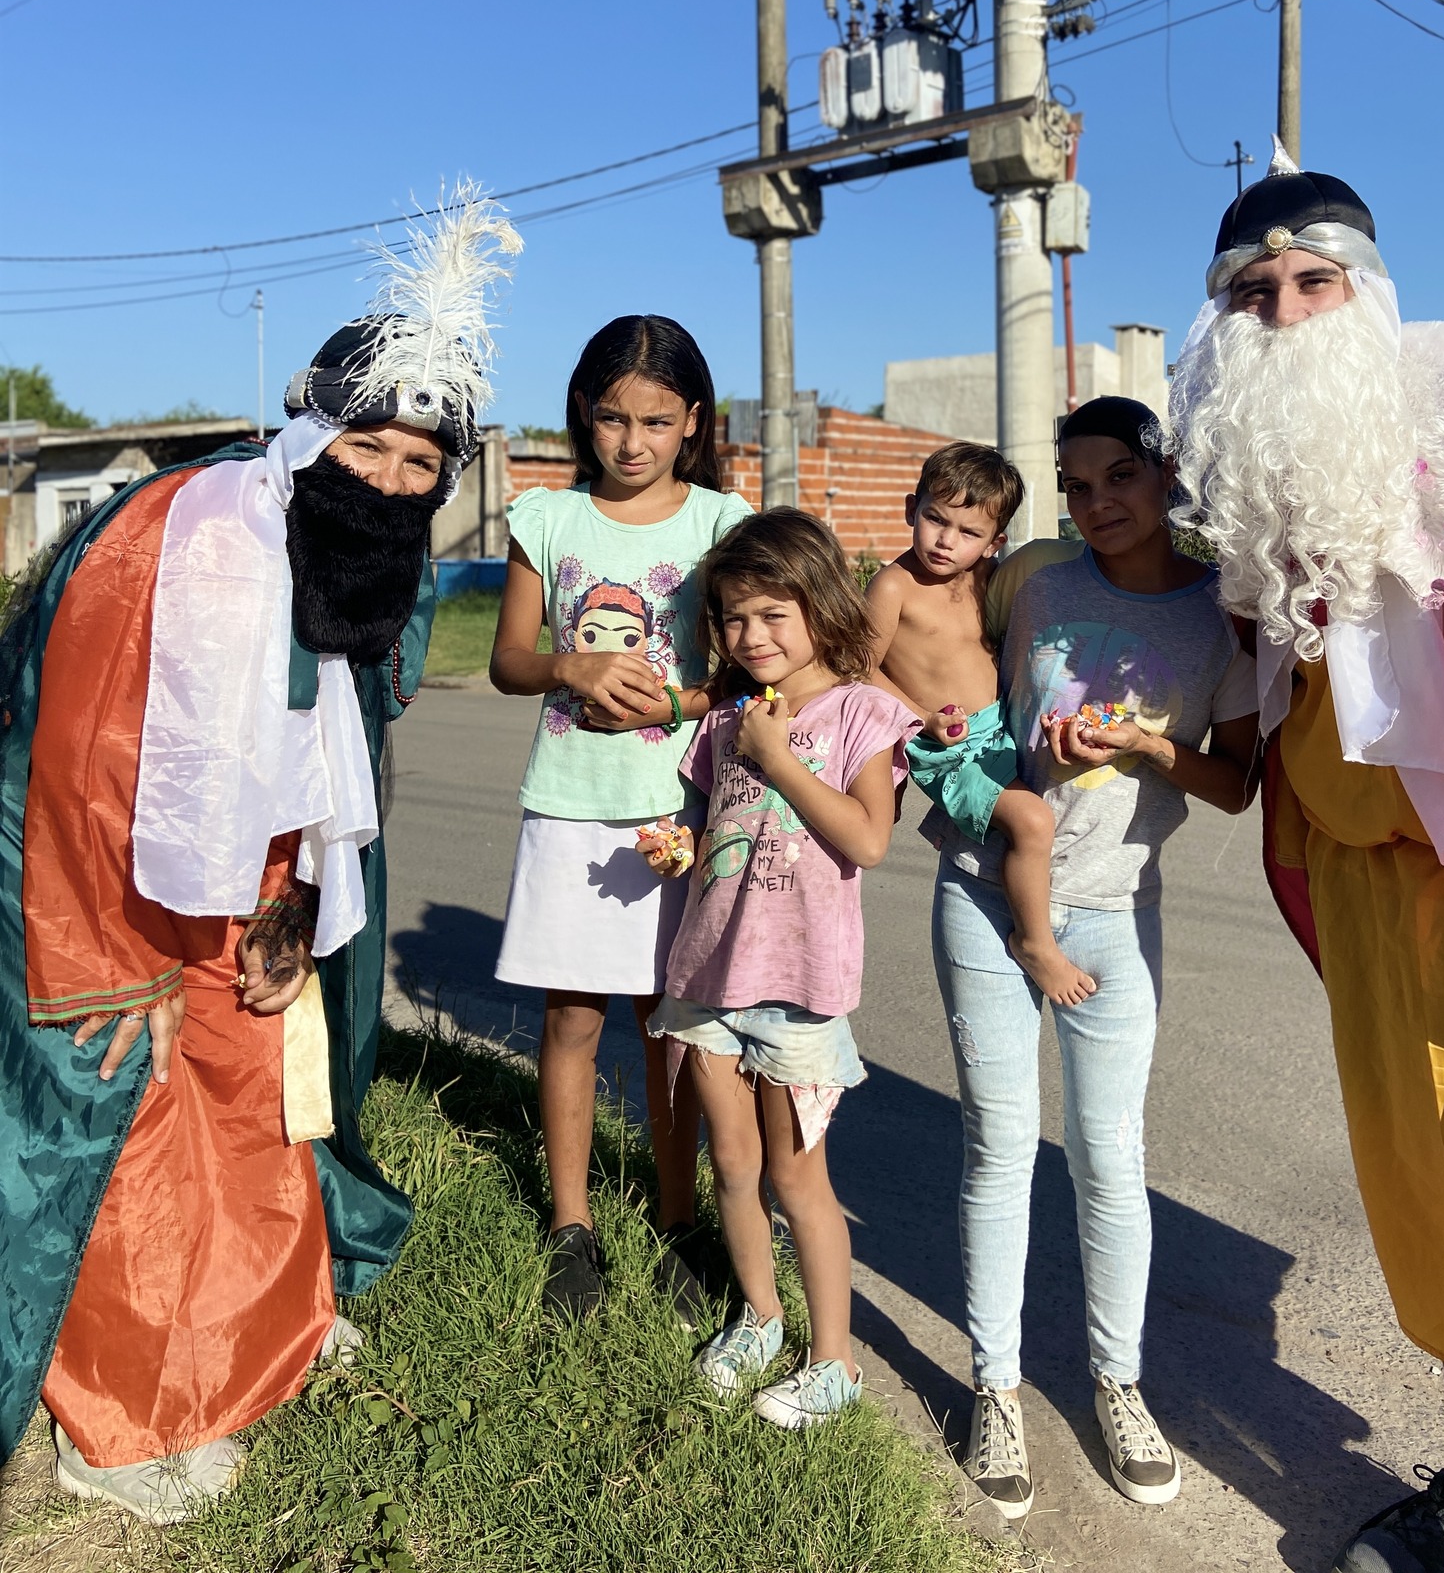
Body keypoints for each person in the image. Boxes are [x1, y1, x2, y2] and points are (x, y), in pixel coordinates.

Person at [0, 188, 519, 1522]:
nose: (392, 482)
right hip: (90, 878)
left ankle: (257, 1329)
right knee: (131, 1111)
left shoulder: (359, 557)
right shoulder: (185, 538)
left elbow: (309, 746)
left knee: (264, 1091)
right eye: (369, 448)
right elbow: (89, 760)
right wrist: (113, 963)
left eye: (421, 464)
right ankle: (119, 1419)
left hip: (252, 875)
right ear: (306, 433)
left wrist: (286, 914)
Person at [1167, 142, 1444, 1572]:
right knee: (1423, 1186)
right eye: (1253, 292)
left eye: (1314, 281)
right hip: (1362, 875)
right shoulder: (1240, 459)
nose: (1284, 314)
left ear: (1366, 288)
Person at [927, 396, 1260, 1519]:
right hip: (985, 891)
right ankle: (996, 1386)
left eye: (1119, 475)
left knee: (1110, 1156)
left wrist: (1148, 744)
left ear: (1166, 474)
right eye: (1075, 484)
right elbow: (937, 642)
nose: (1097, 502)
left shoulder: (1221, 615)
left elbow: (1237, 782)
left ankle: (1119, 1383)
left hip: (1116, 908)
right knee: (999, 1145)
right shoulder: (1033, 576)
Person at [490, 315, 753, 1321]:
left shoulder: (723, 523)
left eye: (655, 421)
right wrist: (572, 665)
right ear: (582, 414)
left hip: (679, 806)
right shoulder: (546, 519)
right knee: (572, 1018)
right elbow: (510, 660)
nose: (632, 441)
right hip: (569, 804)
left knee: (668, 1027)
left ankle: (679, 1219)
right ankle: (572, 1227)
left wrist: (674, 702)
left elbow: (748, 671)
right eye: (611, 418)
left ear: (693, 421)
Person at [641, 509, 918, 1428]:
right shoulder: (726, 719)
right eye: (733, 617)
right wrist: (677, 847)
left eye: (771, 614)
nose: (751, 635)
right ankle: (759, 1319)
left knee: (799, 1182)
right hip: (708, 976)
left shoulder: (862, 713)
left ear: (820, 605)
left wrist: (778, 758)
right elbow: (715, 825)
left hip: (798, 991)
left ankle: (833, 1362)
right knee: (731, 1162)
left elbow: (868, 839)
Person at [868, 441, 1092, 1006]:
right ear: (911, 509)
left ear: (994, 542)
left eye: (968, 532)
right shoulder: (894, 585)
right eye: (935, 519)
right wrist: (920, 718)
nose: (946, 540)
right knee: (1033, 822)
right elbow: (858, 668)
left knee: (1054, 804)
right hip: (945, 745)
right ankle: (1034, 943)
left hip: (1000, 730)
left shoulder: (988, 578)